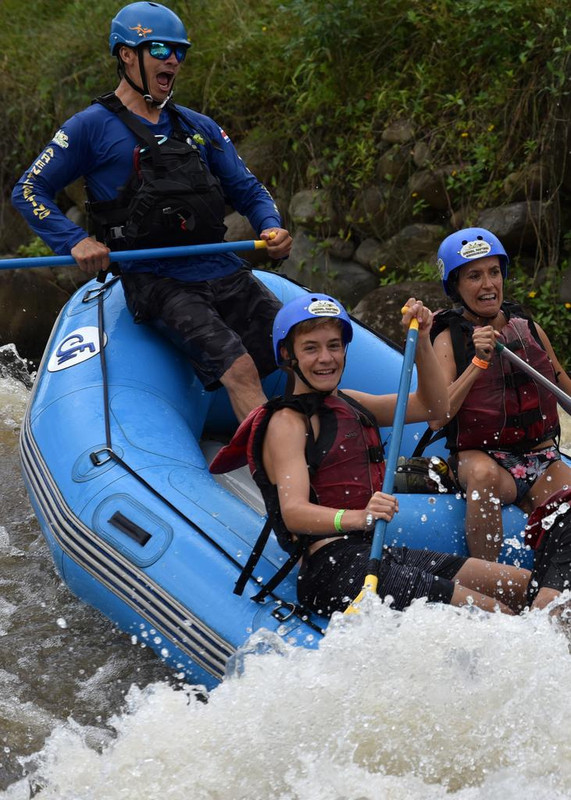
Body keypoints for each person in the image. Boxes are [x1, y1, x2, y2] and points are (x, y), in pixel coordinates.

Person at [11, 1, 291, 422]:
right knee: (240, 367)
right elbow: (29, 189)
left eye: (180, 51)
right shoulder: (89, 127)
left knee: (301, 348)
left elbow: (249, 189)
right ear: (127, 54)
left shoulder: (199, 126)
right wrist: (76, 240)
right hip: (156, 279)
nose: (174, 60)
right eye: (161, 50)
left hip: (218, 265)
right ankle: (282, 477)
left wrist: (271, 227)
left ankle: (332, 452)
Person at [211, 292, 535, 617]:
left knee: (525, 587)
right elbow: (293, 512)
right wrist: (357, 517)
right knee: (497, 614)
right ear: (287, 354)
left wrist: (422, 339)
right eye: (311, 348)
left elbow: (435, 406)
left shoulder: (351, 403)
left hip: (372, 554)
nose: (326, 357)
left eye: (334, 346)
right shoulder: (286, 423)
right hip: (333, 570)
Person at [430, 227, 571, 582]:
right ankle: (490, 580)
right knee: (483, 475)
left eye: (493, 272)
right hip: (483, 457)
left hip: (540, 457)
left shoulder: (529, 330)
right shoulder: (448, 339)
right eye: (474, 276)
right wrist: (478, 362)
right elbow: (438, 416)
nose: (487, 284)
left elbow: (563, 386)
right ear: (456, 286)